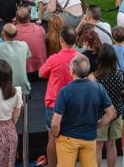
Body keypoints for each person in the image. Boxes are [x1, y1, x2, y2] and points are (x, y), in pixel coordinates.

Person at [50, 55, 116, 167]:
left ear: (72, 71)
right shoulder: (98, 88)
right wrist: (97, 125)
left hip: (67, 138)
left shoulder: (65, 91)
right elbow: (112, 113)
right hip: (89, 137)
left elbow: (55, 123)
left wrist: (55, 135)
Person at [39, 26, 78, 167]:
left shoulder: (54, 59)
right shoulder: (81, 58)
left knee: (52, 138)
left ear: (61, 40)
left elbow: (41, 73)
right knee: (71, 138)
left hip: (54, 105)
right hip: (74, 105)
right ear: (76, 40)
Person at [93, 44, 124, 167]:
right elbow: (123, 94)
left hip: (101, 115)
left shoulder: (95, 77)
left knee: (98, 146)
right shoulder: (121, 74)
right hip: (117, 113)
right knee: (111, 144)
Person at [0, 23, 31, 95]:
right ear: (16, 34)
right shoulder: (24, 44)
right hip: (23, 86)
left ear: (3, 34)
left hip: (5, 86)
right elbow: (25, 61)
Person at [13, 7, 47, 79]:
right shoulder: (40, 29)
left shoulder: (13, 32)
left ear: (16, 19)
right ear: (30, 17)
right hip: (42, 70)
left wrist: (13, 25)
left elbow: (6, 39)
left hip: (24, 72)